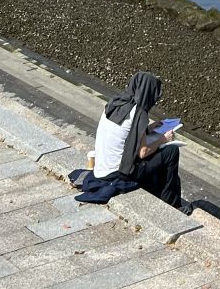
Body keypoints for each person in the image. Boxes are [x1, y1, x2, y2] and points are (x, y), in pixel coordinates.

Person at [78, 71, 185, 210]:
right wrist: (163, 140)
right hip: (117, 174)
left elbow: (123, 131)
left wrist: (147, 129)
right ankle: (172, 203)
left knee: (158, 153)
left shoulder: (115, 103)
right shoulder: (139, 113)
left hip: (101, 168)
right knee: (171, 151)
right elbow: (142, 152)